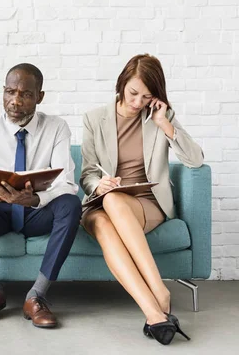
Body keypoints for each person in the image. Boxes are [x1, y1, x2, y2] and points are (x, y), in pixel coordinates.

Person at [80, 54, 203, 345]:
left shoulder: (159, 116)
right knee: (107, 211)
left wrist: (163, 123)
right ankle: (155, 308)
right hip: (102, 201)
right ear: (122, 83)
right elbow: (86, 174)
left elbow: (195, 160)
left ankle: (157, 298)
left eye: (146, 97)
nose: (138, 103)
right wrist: (100, 185)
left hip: (146, 202)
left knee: (115, 203)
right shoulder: (94, 118)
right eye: (134, 93)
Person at [0, 63, 82, 327]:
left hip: (36, 214)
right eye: (10, 92)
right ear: (3, 92)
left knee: (71, 204)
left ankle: (36, 295)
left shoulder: (57, 128)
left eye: (25, 94)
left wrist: (36, 199)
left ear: (40, 96)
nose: (15, 101)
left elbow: (68, 184)